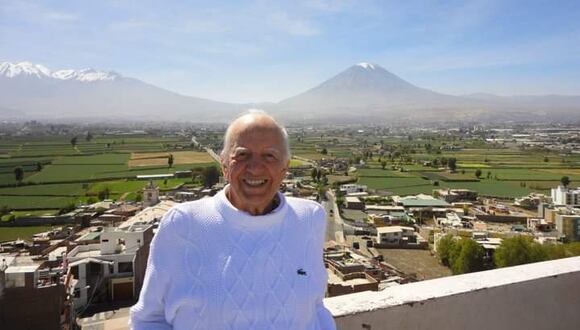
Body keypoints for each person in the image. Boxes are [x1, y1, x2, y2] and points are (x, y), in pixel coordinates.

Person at [130, 111, 336, 329]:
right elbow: (148, 320)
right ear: (224, 165)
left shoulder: (310, 218)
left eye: (269, 156)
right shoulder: (182, 225)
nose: (255, 168)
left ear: (284, 168)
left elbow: (315, 308)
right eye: (243, 155)